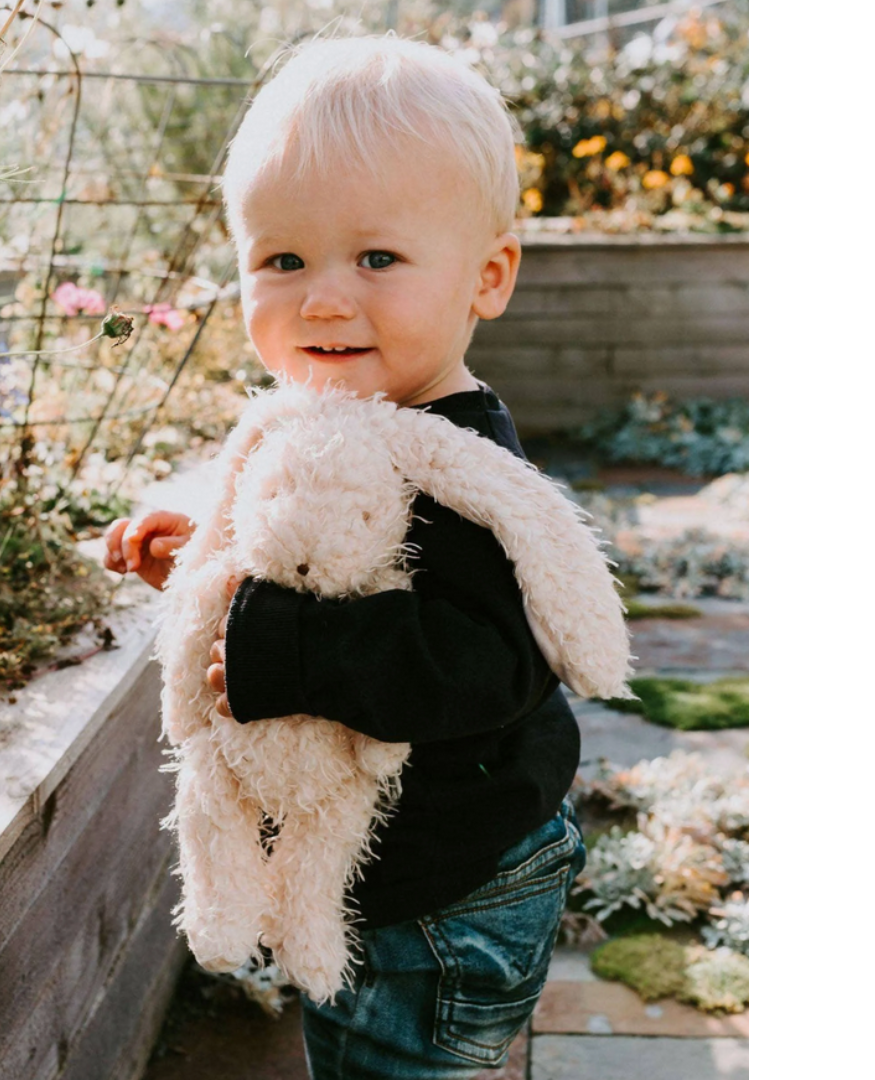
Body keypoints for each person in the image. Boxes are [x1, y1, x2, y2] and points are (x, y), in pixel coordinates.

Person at [105, 33, 588, 1079]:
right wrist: (204, 560)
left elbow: (487, 663)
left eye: (377, 259)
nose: (322, 299)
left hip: (447, 897)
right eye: (283, 260)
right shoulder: (331, 423)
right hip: (396, 876)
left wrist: (285, 649)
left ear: (488, 276)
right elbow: (319, 559)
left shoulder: (460, 466)